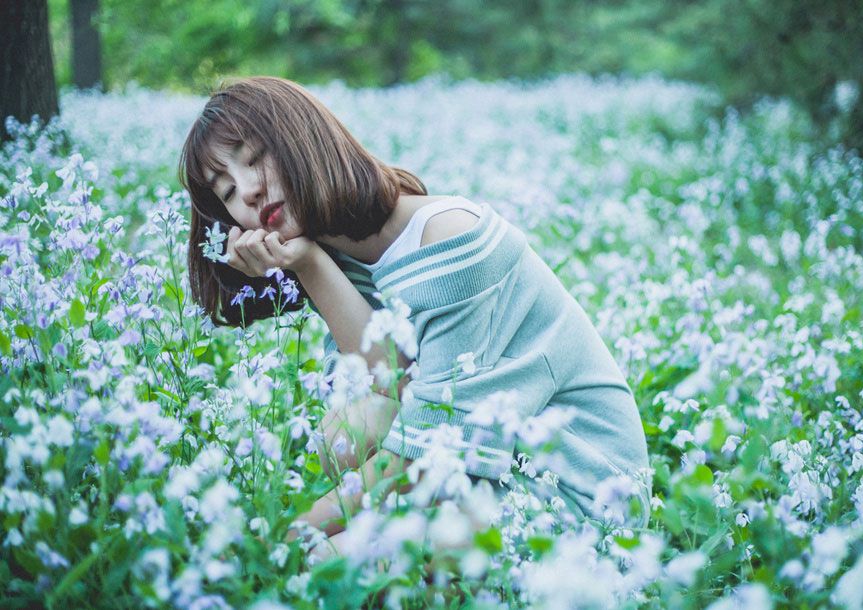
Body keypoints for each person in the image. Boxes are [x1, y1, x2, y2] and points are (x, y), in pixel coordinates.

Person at [178, 76, 651, 556]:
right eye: (229, 190)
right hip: (482, 470)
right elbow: (389, 395)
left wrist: (282, 537)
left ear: (304, 139)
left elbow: (430, 446)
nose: (250, 192)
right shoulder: (335, 261)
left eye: (256, 158)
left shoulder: (449, 238)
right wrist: (310, 265)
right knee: (345, 431)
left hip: (581, 502)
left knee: (324, 564)